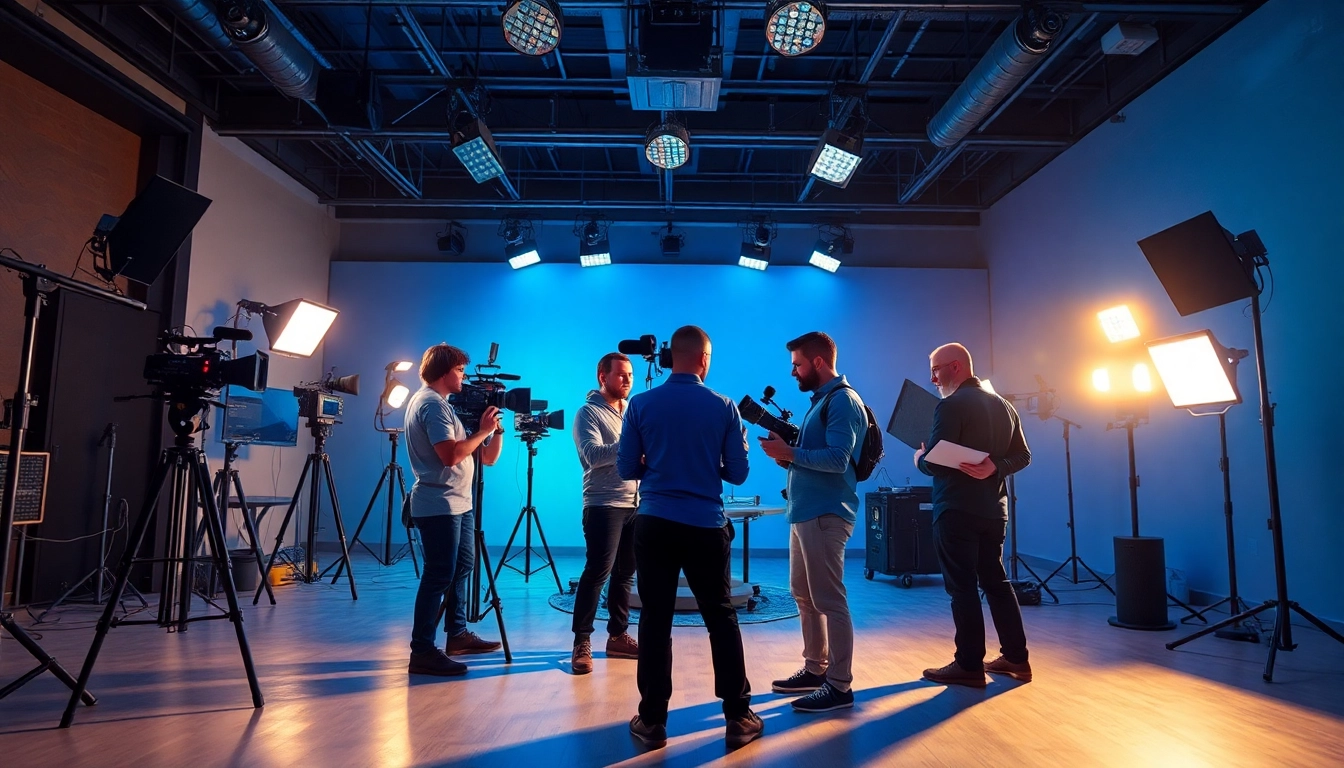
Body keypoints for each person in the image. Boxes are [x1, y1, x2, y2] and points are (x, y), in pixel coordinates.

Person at [616, 325, 762, 750]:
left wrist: (657, 464)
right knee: (720, 617)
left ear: (670, 357)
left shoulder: (641, 404)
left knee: (655, 619)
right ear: (703, 360)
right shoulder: (723, 406)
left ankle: (652, 722)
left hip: (655, 522)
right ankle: (738, 716)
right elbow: (737, 473)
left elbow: (626, 468)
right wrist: (705, 464)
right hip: (705, 525)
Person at [757, 331, 867, 712]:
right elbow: (814, 455)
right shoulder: (821, 401)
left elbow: (838, 459)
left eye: (797, 365)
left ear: (818, 362)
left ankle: (839, 686)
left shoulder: (843, 402)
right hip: (806, 513)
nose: (793, 373)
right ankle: (816, 669)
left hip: (825, 514)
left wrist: (790, 452)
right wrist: (786, 456)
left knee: (830, 600)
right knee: (804, 596)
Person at [914, 342, 1033, 687]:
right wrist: (996, 467)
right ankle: (1016, 659)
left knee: (962, 588)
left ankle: (968, 665)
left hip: (956, 510)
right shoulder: (1006, 406)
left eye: (936, 370)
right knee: (997, 584)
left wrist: (920, 458)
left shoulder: (949, 406)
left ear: (955, 367)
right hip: (994, 512)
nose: (933, 378)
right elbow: (1024, 456)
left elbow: (935, 463)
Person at [404, 343, 504, 677]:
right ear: (445, 371)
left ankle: (457, 634)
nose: (463, 376)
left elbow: (486, 458)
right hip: (439, 504)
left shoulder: (442, 405)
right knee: (438, 575)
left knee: (462, 566)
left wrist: (494, 431)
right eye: (460, 370)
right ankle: (422, 650)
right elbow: (450, 455)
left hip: (458, 503)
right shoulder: (431, 404)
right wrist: (482, 432)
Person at [569, 352, 640, 674]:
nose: (627, 380)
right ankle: (581, 642)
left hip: (634, 504)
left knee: (625, 575)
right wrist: (633, 444)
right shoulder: (587, 413)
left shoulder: (630, 412)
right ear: (603, 376)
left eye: (630, 375)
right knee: (598, 571)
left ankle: (618, 636)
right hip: (602, 504)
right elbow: (593, 455)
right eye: (621, 374)